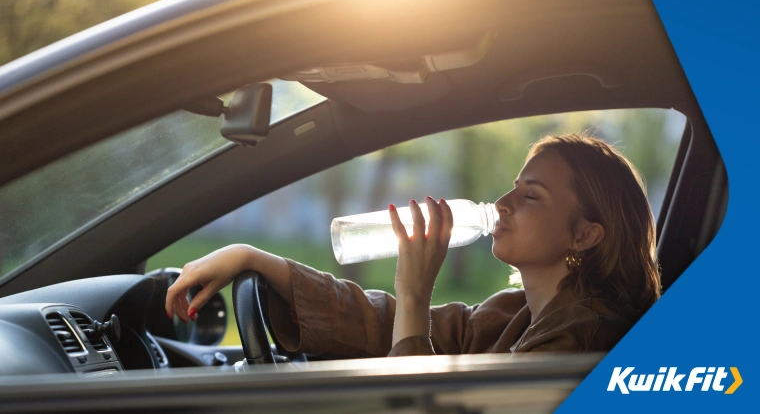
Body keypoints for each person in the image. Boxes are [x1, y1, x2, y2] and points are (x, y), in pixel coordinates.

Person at [165, 133, 661, 356]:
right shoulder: (518, 313)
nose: (504, 202)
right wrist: (256, 259)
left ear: (585, 234)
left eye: (531, 196)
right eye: (512, 186)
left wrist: (416, 296)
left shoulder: (582, 340)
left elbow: (419, 399)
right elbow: (380, 323)